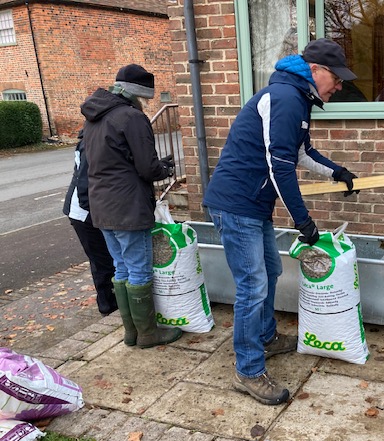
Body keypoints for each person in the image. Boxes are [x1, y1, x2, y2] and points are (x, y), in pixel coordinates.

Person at [203, 38, 359, 405]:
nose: (338, 87)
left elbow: (301, 152)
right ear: (316, 70)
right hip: (236, 204)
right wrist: (303, 221)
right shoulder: (285, 98)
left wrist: (337, 171)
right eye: (336, 79)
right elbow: (280, 166)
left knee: (269, 273)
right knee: (252, 285)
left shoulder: (297, 98)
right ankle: (249, 369)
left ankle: (267, 338)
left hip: (253, 204)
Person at [80, 64, 182, 349]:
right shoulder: (131, 117)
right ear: (136, 94)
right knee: (139, 270)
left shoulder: (94, 118)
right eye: (145, 98)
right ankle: (149, 334)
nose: (145, 104)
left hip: (101, 208)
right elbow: (147, 168)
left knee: (121, 268)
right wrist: (164, 168)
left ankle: (131, 333)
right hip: (128, 207)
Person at [62, 129, 118, 316]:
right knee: (102, 262)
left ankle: (112, 303)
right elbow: (84, 183)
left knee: (106, 260)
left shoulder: (92, 137)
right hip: (84, 213)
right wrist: (95, 214)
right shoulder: (90, 144)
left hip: (91, 210)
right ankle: (108, 307)